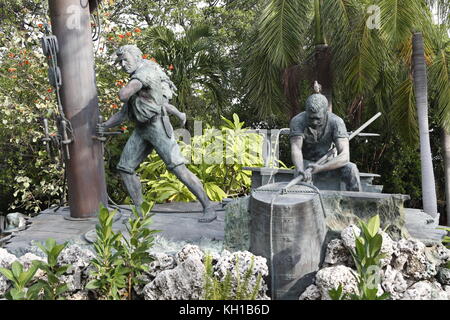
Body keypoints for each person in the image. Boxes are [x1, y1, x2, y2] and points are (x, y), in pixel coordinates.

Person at [97, 44, 217, 222]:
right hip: (141, 130)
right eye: (120, 61)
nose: (123, 65)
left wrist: (126, 89)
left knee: (178, 169)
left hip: (157, 127)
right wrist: (105, 126)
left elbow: (124, 95)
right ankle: (140, 211)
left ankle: (208, 207)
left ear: (137, 58)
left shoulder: (144, 73)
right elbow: (123, 113)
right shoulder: (135, 78)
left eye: (125, 59)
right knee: (125, 168)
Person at [289, 83, 361, 191]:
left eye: (318, 118)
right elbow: (296, 148)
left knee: (351, 169)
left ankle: (357, 203)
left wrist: (321, 168)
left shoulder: (336, 122)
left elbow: (345, 156)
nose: (314, 122)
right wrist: (300, 169)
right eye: (311, 118)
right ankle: (304, 204)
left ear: (325, 112)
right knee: (302, 176)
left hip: (328, 164)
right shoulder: (297, 121)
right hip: (306, 163)